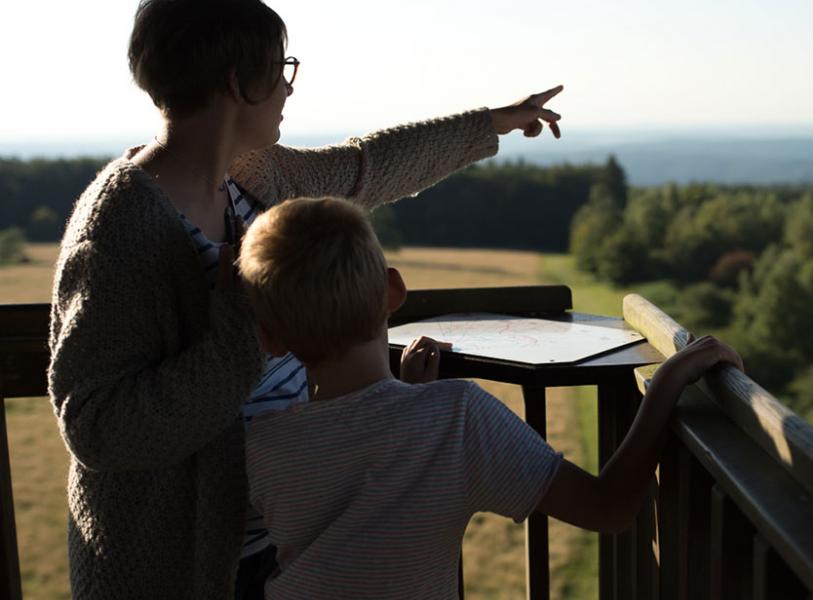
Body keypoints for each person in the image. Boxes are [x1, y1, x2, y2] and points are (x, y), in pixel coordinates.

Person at [46, 0, 563, 597]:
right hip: (181, 567)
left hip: (286, 540)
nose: (289, 89)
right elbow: (97, 428)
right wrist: (244, 327)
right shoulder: (119, 225)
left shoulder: (253, 177)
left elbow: (368, 167)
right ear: (239, 82)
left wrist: (493, 122)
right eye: (281, 68)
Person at [238, 197, 743, 599]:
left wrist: (408, 396)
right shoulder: (454, 416)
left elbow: (354, 471)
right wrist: (668, 381)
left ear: (270, 339)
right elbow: (607, 508)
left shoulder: (263, 446)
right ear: (393, 292)